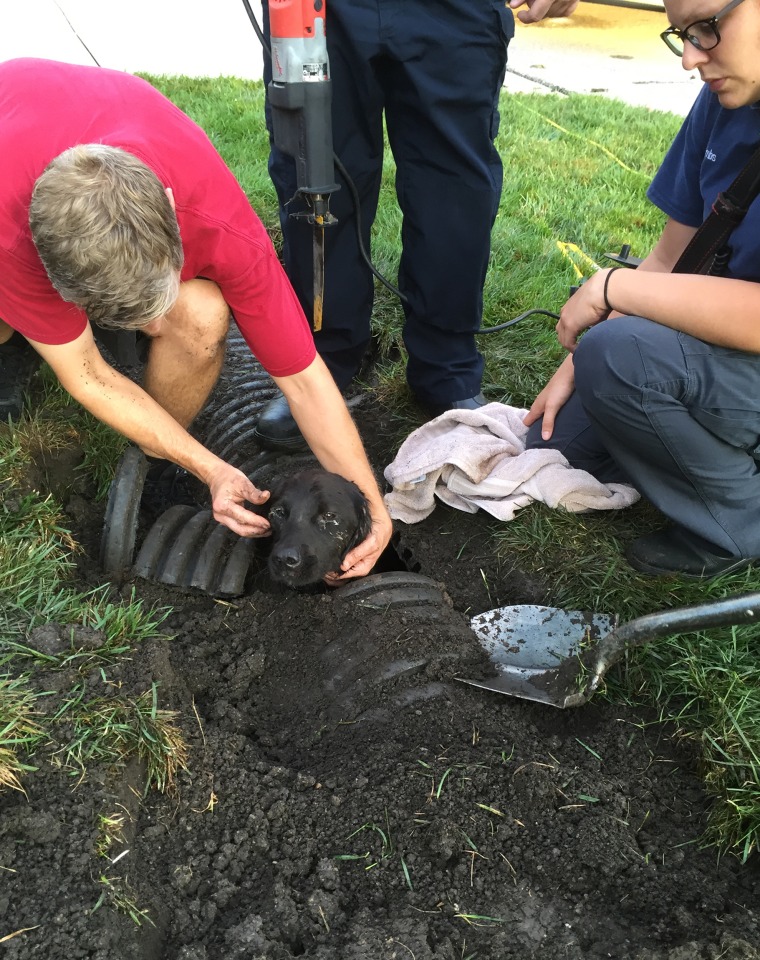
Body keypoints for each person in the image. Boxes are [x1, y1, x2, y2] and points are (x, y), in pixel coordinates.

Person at [0, 58, 392, 581]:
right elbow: (87, 373)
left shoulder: (218, 218)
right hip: (16, 160)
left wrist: (370, 504)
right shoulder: (12, 234)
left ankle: (156, 454)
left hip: (92, 138)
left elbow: (301, 378)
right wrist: (211, 467)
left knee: (201, 314)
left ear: (167, 205)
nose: (156, 323)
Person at [256, 0, 579, 451]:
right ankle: (322, 364)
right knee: (314, 169)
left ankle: (445, 366)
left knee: (453, 188)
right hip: (321, 8)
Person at [524, 0, 760, 579]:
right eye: (680, 34)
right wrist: (578, 365)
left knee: (622, 355)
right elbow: (674, 255)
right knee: (554, 448)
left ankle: (741, 521)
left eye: (708, 29)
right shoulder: (725, 99)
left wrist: (612, 288)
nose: (689, 58)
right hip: (726, 339)